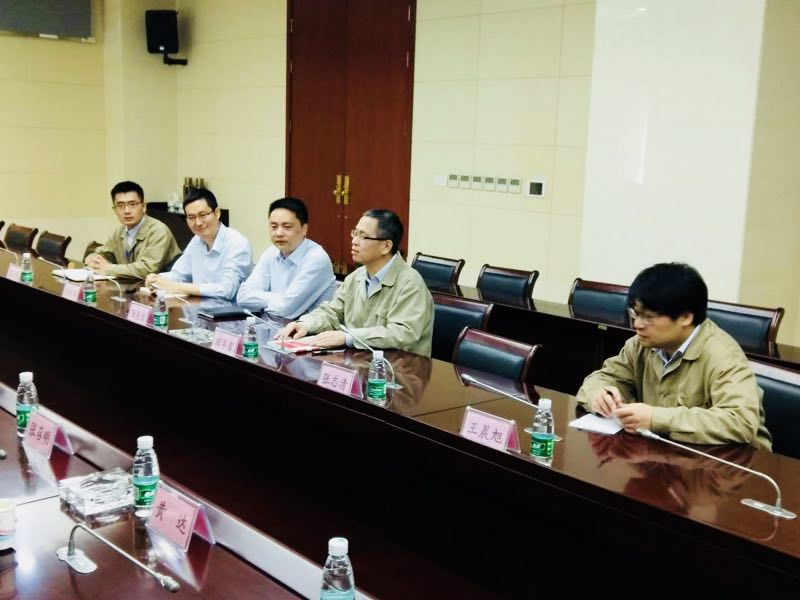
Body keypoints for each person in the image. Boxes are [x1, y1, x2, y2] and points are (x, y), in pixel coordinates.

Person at [576, 262, 771, 449]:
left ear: (686, 317)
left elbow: (740, 422)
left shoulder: (723, 355)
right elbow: (602, 378)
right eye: (635, 313)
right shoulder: (640, 344)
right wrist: (599, 396)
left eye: (648, 317)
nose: (637, 324)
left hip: (734, 463)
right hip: (667, 454)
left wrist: (655, 419)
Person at [277, 209, 434, 357]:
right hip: (361, 361)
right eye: (355, 233)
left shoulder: (411, 284)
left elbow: (402, 333)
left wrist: (347, 337)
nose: (354, 241)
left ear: (386, 246)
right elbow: (333, 312)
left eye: (363, 236)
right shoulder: (356, 277)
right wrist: (306, 324)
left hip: (400, 369)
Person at [236, 197, 336, 318]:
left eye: (287, 227)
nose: (279, 233)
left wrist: (262, 300)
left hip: (309, 328)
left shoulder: (316, 258)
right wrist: (280, 299)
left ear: (304, 229)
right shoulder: (271, 252)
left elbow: (285, 310)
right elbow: (242, 297)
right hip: (273, 323)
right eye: (274, 226)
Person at [144, 188, 252, 300]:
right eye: (191, 217)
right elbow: (178, 275)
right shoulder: (196, 241)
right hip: (199, 307)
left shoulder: (237, 243)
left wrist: (176, 287)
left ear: (217, 213)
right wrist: (157, 279)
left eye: (203, 215)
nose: (198, 223)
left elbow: (227, 290)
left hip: (230, 310)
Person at [86, 181, 181, 279]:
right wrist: (93, 259)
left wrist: (108, 269)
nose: (127, 211)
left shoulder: (158, 231)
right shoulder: (119, 232)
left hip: (161, 287)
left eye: (132, 204)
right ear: (114, 209)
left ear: (144, 206)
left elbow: (148, 269)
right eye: (120, 205)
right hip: (131, 286)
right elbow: (104, 253)